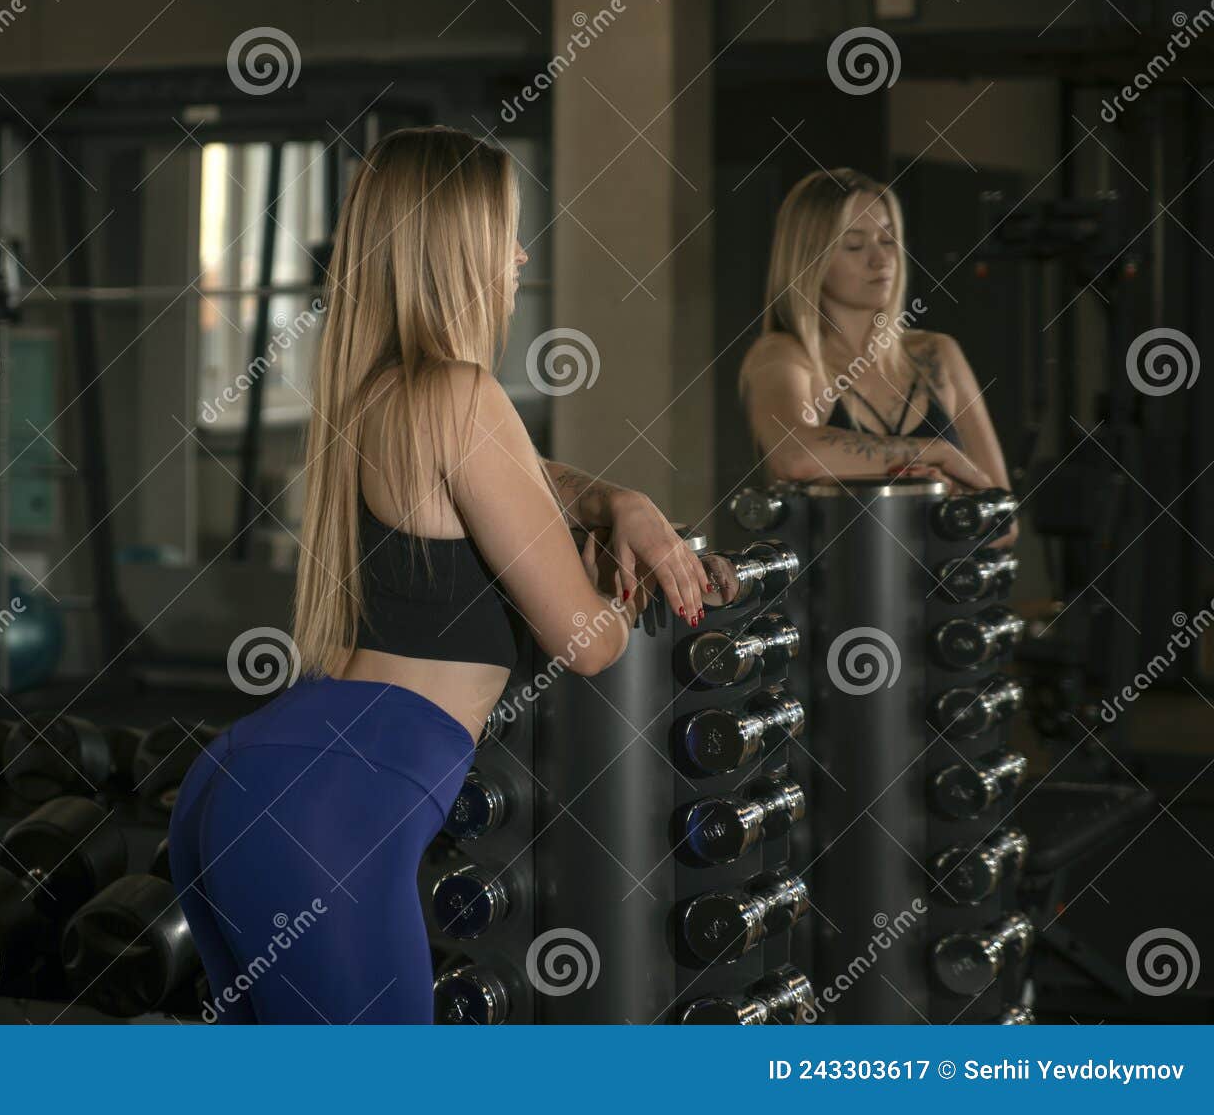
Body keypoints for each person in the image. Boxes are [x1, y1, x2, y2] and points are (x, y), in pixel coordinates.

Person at [168, 126, 738, 1024]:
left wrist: (614, 506)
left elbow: (534, 488)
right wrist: (631, 588)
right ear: (455, 248)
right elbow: (585, 646)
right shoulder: (462, 393)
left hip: (249, 784)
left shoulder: (382, 396)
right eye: (504, 231)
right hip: (330, 812)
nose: (519, 253)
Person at [737, 168, 1018, 549]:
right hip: (839, 602)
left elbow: (1004, 519)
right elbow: (795, 454)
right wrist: (935, 453)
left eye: (888, 240)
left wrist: (944, 494)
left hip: (945, 599)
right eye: (854, 245)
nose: (880, 259)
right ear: (809, 257)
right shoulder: (783, 354)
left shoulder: (938, 353)